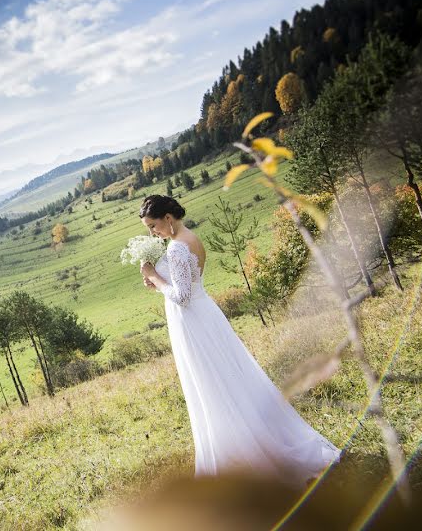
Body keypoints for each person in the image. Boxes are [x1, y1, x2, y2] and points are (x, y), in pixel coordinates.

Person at [138, 194, 340, 485]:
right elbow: (187, 285)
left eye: (153, 225)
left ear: (168, 219)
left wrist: (154, 277)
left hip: (193, 323)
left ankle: (241, 455)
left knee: (213, 384)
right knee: (228, 381)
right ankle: (243, 440)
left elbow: (181, 297)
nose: (152, 232)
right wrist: (157, 281)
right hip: (204, 315)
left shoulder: (177, 249)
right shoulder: (188, 238)